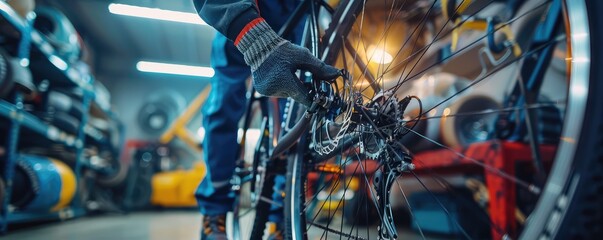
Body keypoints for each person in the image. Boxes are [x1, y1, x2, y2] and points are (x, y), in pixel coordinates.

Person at [192, 1, 340, 239]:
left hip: (297, 13)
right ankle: (214, 210)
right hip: (247, 7)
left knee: (294, 120)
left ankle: (279, 218)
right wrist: (254, 40)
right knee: (223, 105)